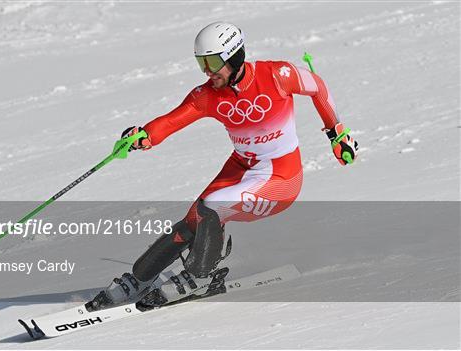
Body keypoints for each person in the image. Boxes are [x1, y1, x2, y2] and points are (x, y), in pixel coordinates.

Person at [86, 22, 358, 311]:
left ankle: (200, 276)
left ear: (235, 57)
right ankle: (138, 278)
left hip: (281, 176)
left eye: (213, 62)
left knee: (213, 207)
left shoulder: (277, 75)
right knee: (195, 217)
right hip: (242, 166)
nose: (207, 71)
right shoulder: (208, 94)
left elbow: (318, 87)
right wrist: (144, 135)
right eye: (201, 63)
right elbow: (173, 119)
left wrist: (336, 133)